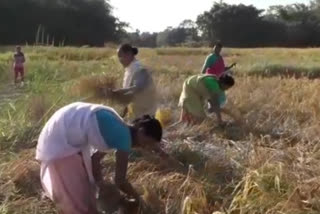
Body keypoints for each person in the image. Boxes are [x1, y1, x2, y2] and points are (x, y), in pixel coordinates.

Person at [36, 102, 163, 214]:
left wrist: (100, 184)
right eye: (146, 143)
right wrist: (140, 200)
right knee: (79, 204)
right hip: (60, 140)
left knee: (86, 193)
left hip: (62, 130)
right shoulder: (124, 138)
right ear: (141, 131)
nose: (143, 147)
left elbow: (95, 159)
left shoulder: (119, 129)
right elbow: (120, 181)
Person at [111, 44, 157, 120]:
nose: (119, 59)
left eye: (120, 56)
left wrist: (119, 92)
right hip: (136, 110)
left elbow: (137, 88)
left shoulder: (139, 69)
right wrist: (122, 115)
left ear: (129, 54)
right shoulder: (129, 69)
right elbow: (129, 97)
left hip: (145, 111)